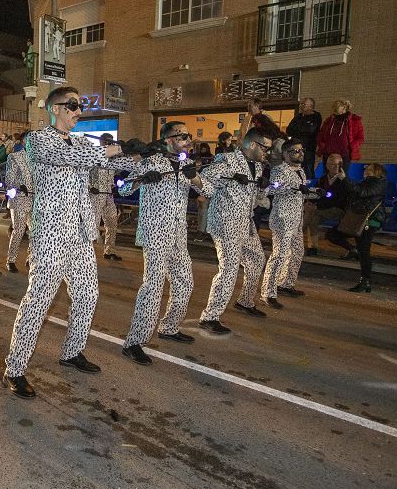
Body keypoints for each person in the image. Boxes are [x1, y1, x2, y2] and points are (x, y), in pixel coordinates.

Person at [3, 86, 126, 399]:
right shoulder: (38, 140)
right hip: (51, 234)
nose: (78, 111)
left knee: (88, 295)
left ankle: (72, 351)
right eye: (72, 105)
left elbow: (108, 163)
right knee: (38, 301)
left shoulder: (83, 142)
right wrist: (112, 150)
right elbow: (68, 156)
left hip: (81, 232)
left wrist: (145, 156)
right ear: (54, 108)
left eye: (80, 106)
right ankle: (14, 369)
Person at [118, 121, 201, 365]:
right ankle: (134, 342)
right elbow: (122, 189)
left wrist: (195, 179)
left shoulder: (186, 164)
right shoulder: (150, 160)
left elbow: (208, 190)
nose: (188, 139)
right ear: (169, 139)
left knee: (185, 281)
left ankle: (170, 327)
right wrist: (142, 180)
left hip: (178, 233)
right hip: (155, 232)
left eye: (189, 136)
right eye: (183, 135)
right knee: (153, 286)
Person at [197, 128, 274, 336]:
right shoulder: (227, 159)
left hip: (245, 222)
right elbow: (205, 180)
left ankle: (245, 301)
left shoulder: (257, 166)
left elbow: (256, 195)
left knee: (257, 259)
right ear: (252, 145)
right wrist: (230, 175)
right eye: (265, 147)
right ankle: (210, 317)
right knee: (229, 269)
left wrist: (263, 187)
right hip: (226, 221)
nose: (267, 151)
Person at [260, 139, 313, 307]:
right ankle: (268, 293)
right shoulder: (279, 170)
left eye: (301, 150)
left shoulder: (301, 172)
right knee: (280, 255)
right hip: (283, 219)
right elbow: (273, 188)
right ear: (285, 154)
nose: (300, 154)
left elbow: (301, 194)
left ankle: (286, 284)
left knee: (297, 252)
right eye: (295, 151)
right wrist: (294, 188)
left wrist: (313, 192)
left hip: (296, 220)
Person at [327, 163, 388, 293]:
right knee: (333, 234)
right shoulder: (365, 182)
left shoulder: (378, 183)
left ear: (377, 172)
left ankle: (365, 281)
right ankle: (352, 249)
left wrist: (345, 179)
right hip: (356, 219)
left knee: (364, 251)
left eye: (369, 169)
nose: (365, 170)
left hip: (369, 221)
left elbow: (361, 192)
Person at [302, 154, 349, 256]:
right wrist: (310, 202)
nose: (334, 167)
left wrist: (316, 206)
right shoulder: (323, 179)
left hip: (338, 209)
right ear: (327, 165)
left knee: (311, 212)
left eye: (337, 164)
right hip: (323, 209)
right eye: (331, 164)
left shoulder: (344, 180)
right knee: (312, 215)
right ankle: (312, 247)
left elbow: (338, 200)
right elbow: (316, 193)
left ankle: (299, 233)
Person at [89, 132, 126, 261]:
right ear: (101, 142)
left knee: (112, 222)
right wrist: (89, 186)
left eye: (111, 141)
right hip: (96, 194)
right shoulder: (94, 155)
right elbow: (83, 173)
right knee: (92, 225)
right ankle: (87, 253)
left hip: (108, 194)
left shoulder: (113, 158)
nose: (109, 143)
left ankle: (109, 250)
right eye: (107, 141)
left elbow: (119, 170)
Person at [1, 130, 33, 272]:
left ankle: (31, 258)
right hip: (19, 199)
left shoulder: (39, 159)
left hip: (35, 200)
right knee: (19, 230)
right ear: (23, 141)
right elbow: (9, 178)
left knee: (36, 232)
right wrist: (19, 186)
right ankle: (11, 260)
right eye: (29, 139)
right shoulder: (14, 157)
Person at [316, 99, 364, 173]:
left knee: (342, 175)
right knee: (327, 175)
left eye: (336, 107)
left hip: (344, 153)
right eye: (333, 107)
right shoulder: (328, 120)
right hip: (328, 153)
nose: (334, 108)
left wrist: (351, 146)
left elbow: (360, 137)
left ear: (344, 107)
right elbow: (321, 135)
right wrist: (323, 146)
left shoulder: (355, 120)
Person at [286, 97, 322, 178]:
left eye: (304, 104)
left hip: (308, 149)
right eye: (301, 104)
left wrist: (298, 129)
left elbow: (310, 130)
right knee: (295, 169)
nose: (301, 106)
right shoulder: (298, 117)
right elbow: (289, 130)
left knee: (308, 170)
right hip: (296, 148)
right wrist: (303, 129)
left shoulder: (316, 116)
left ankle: (309, 187)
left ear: (311, 106)